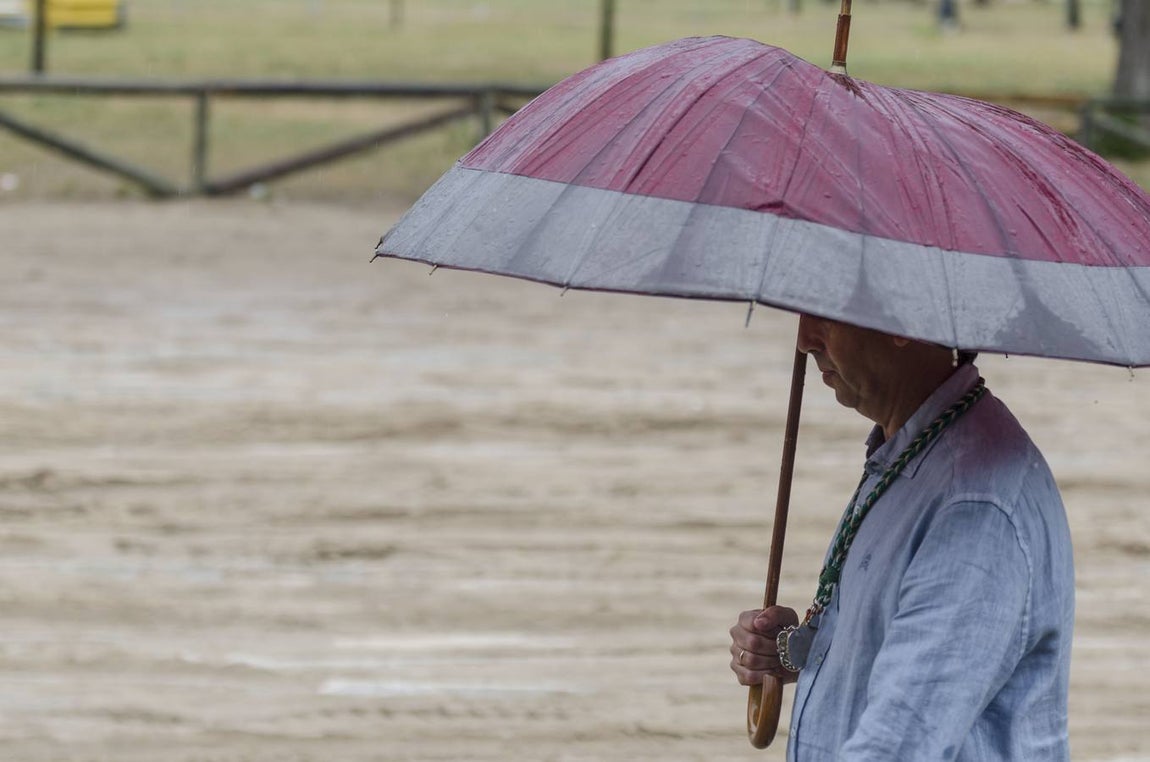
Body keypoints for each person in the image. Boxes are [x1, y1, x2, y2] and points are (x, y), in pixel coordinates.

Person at [729, 314, 1075, 760]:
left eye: (826, 313)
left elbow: (902, 742)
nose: (804, 340)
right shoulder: (913, 453)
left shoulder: (973, 504)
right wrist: (796, 650)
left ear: (903, 317)